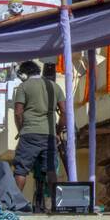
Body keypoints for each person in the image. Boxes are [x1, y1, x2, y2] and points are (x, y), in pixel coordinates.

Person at [11, 61, 66, 210]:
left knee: (21, 169)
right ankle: (56, 204)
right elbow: (65, 112)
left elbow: (18, 112)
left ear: (23, 74)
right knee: (50, 170)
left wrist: (21, 129)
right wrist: (58, 130)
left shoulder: (23, 87)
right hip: (49, 135)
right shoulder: (54, 87)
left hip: (29, 134)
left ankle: (14, 205)